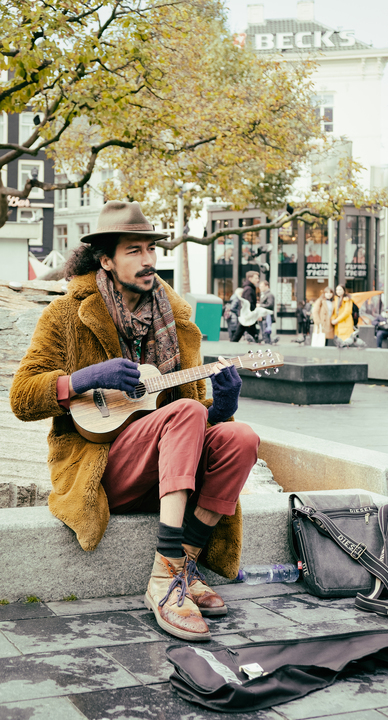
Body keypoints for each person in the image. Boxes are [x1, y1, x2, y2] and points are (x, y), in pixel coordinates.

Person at [9, 201, 260, 643]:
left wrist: (223, 406)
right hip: (103, 468)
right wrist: (85, 378)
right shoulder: (67, 315)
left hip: (168, 471)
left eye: (151, 249)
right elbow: (21, 397)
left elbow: (195, 416)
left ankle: (179, 568)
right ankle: (165, 583)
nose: (148, 260)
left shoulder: (176, 320)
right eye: (133, 251)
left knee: (240, 436)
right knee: (184, 413)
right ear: (105, 260)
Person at [231, 271, 260, 343]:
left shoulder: (249, 288)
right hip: (248, 316)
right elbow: (248, 303)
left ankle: (231, 346)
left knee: (239, 334)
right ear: (250, 278)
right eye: (256, 278)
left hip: (247, 316)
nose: (258, 280)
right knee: (239, 334)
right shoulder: (249, 289)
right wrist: (253, 314)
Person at [258, 280, 275, 344]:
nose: (260, 288)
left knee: (265, 333)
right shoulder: (265, 294)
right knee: (264, 333)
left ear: (266, 286)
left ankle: (267, 346)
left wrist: (260, 305)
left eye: (261, 286)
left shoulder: (269, 295)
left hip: (267, 317)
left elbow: (270, 305)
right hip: (264, 316)